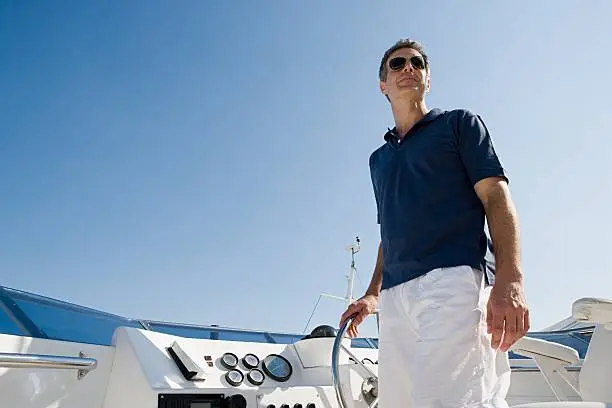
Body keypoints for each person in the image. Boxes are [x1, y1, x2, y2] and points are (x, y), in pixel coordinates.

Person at [339, 39, 530, 408]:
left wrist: (511, 278)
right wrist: (374, 293)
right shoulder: (378, 160)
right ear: (383, 85)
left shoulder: (459, 125)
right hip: (396, 300)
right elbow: (388, 234)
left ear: (427, 78)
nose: (409, 67)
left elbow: (496, 197)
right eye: (398, 64)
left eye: (417, 63)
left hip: (454, 280)